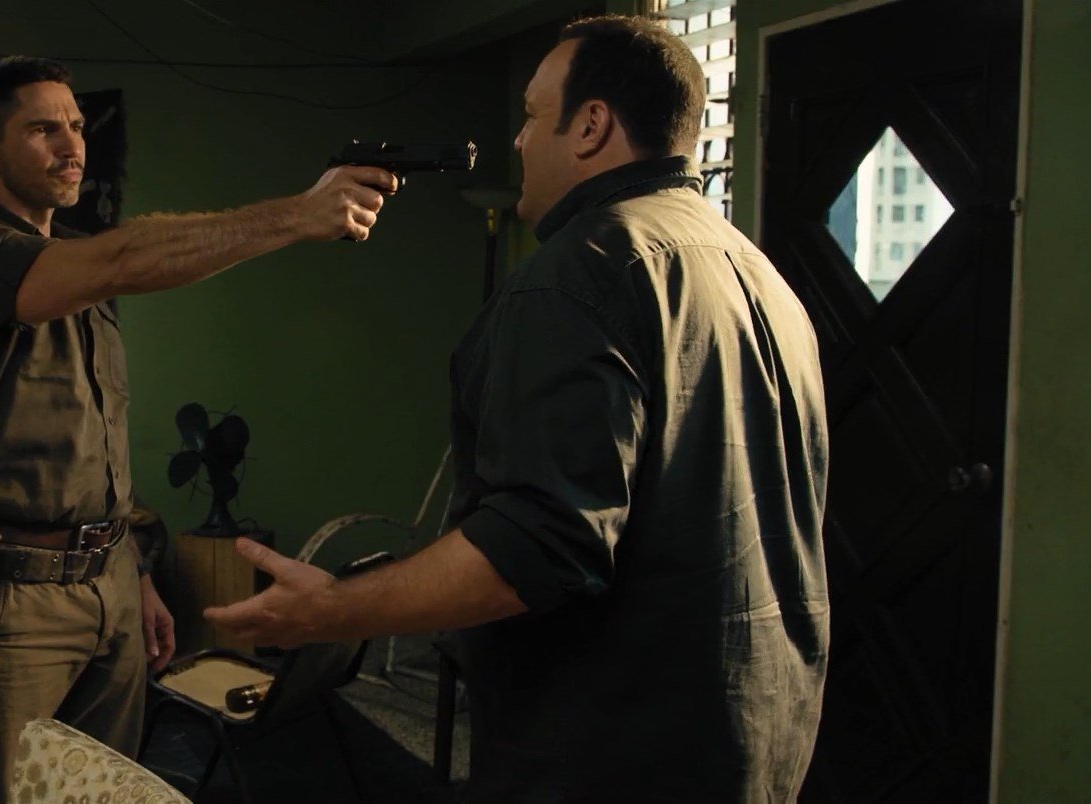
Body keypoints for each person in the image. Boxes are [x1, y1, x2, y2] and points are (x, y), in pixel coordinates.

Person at [205, 15, 831, 802]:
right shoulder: (760, 275)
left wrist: (330, 611)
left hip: (614, 758)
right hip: (760, 736)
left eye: (534, 115)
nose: (519, 140)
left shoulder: (581, 272)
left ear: (591, 125)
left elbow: (536, 547)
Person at [0, 55, 398, 802]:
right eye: (42, 130)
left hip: (109, 583)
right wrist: (300, 213)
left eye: (76, 126)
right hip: (12, 598)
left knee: (107, 791)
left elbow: (90, 446)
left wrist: (132, 572)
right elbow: (127, 257)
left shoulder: (88, 269)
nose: (71, 145)